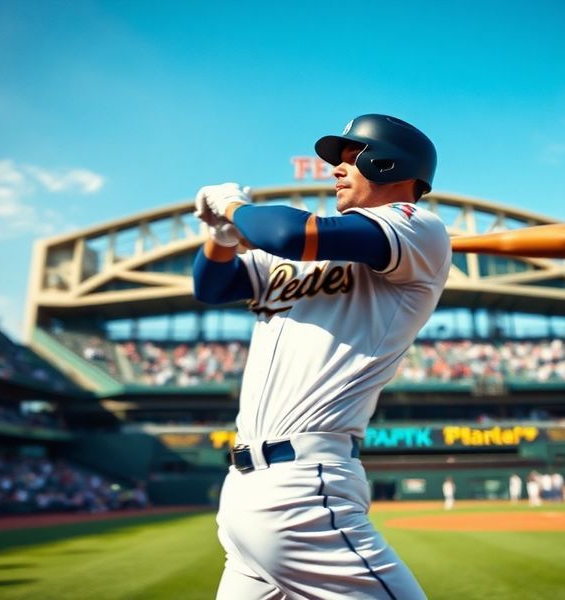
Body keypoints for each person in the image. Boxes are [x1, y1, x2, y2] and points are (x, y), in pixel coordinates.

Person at [192, 114, 450, 600]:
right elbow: (212, 286)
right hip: (246, 491)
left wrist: (232, 206)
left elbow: (291, 234)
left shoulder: (418, 228)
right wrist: (221, 237)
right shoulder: (309, 249)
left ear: (386, 161)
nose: (336, 168)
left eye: (350, 157)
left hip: (306, 484)